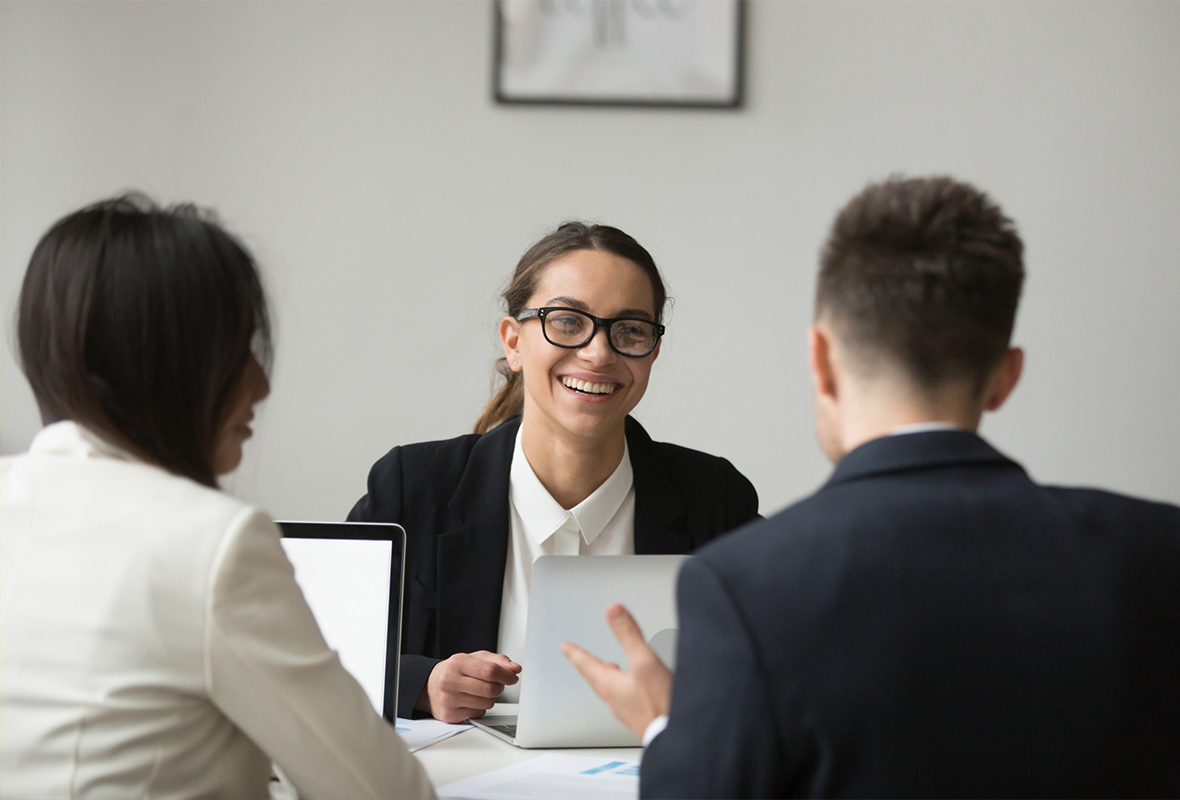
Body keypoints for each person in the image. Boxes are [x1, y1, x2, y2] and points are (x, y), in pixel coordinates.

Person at [563, 176, 1180, 797]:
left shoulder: (746, 583)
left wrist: (668, 730)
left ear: (821, 360)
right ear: (1005, 377)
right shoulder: (1158, 551)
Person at [0, 196, 434, 800]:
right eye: (237, 352)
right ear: (166, 366)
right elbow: (383, 791)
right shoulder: (211, 542)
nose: (262, 384)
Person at [348, 222, 759, 722]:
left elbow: (779, 666)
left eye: (630, 330)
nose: (598, 352)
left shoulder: (717, 499)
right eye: (566, 321)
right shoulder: (412, 486)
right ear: (513, 343)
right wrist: (421, 683)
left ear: (652, 351)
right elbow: (328, 650)